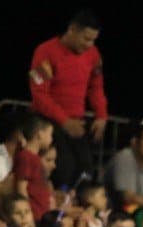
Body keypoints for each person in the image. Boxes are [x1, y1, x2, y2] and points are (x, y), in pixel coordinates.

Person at [28, 10, 107, 190]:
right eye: (86, 39)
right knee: (64, 168)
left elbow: (96, 87)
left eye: (93, 40)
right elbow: (39, 94)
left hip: (75, 123)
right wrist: (64, 121)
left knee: (86, 171)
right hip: (47, 121)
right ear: (72, 29)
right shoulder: (45, 51)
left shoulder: (93, 54)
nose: (90, 44)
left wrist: (101, 115)